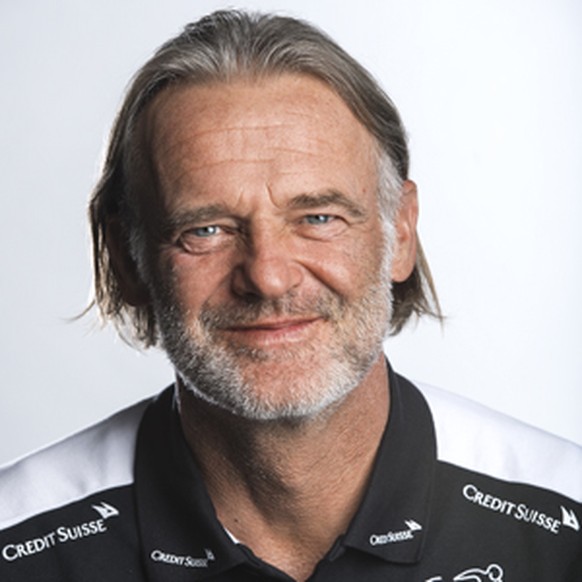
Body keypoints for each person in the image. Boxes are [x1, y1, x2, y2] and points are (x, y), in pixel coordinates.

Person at [0, 9, 580, 581]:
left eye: (319, 217)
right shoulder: (19, 542)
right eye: (206, 230)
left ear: (400, 233)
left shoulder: (563, 525)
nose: (269, 276)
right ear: (126, 259)